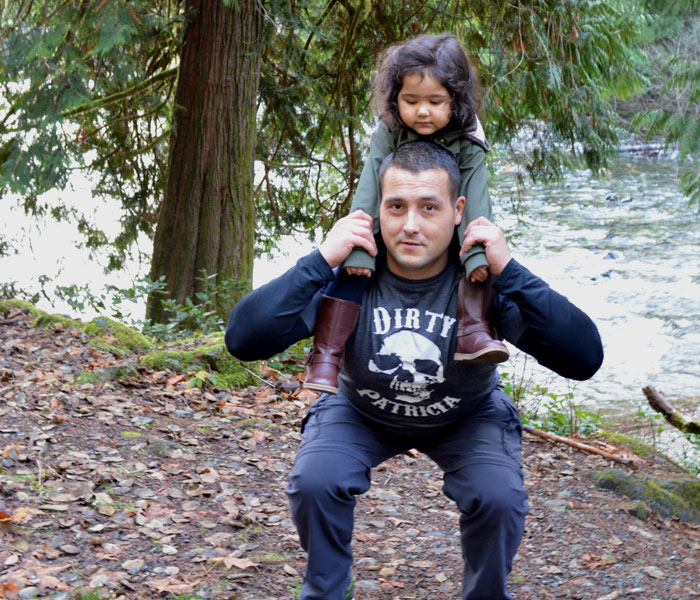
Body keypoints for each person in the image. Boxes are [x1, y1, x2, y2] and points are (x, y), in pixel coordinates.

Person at [224, 141, 603, 600]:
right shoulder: (351, 275)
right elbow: (243, 340)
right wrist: (321, 259)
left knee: (499, 498)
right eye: (396, 206)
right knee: (316, 481)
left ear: (458, 209)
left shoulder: (481, 282)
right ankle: (325, 589)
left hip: (467, 414)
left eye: (429, 207)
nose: (410, 225)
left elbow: (584, 358)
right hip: (361, 408)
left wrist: (511, 271)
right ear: (376, 209)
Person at [303, 33, 506, 396]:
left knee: (478, 265)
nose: (422, 111)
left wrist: (476, 253)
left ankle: (475, 330)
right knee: (349, 275)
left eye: (435, 101)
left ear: (455, 100)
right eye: (411, 101)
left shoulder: (469, 137)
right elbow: (369, 188)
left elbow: (476, 198)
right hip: (390, 224)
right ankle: (326, 354)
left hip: (449, 231)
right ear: (396, 100)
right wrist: (361, 247)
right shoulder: (391, 130)